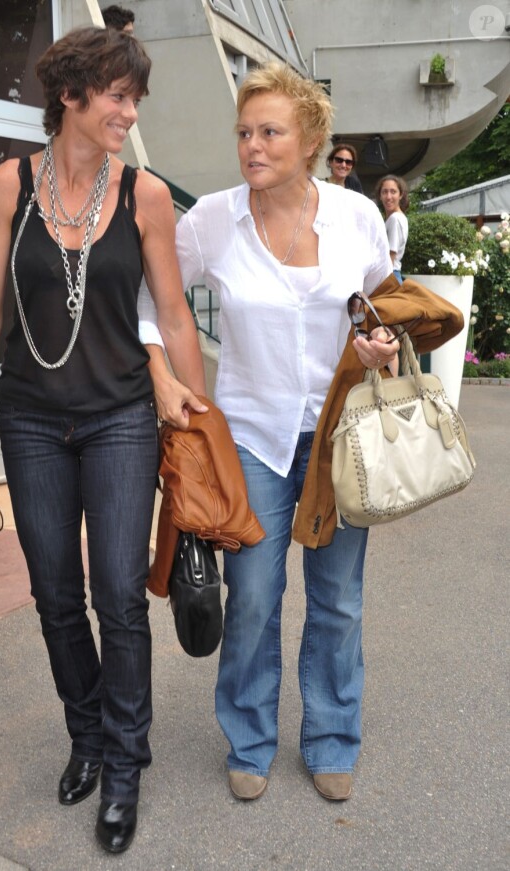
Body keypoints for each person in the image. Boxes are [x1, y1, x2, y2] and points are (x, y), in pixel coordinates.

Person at [140, 60, 462, 805]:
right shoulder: (213, 220)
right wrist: (160, 369)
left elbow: (382, 303)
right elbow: (149, 297)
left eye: (270, 131)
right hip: (252, 436)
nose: (252, 145)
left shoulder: (355, 218)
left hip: (341, 434)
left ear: (310, 138)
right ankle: (249, 737)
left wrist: (376, 346)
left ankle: (330, 737)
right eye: (245, 132)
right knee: (252, 595)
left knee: (339, 597)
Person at [0, 26, 206, 854]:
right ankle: (86, 733)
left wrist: (199, 415)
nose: (129, 112)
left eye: (135, 99)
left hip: (122, 415)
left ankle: (126, 760)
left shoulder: (147, 196)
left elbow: (172, 313)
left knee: (119, 598)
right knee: (55, 594)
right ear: (71, 95)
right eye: (117, 96)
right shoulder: (6, 186)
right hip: (28, 417)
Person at [376, 174, 409, 283]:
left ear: (401, 195)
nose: (388, 196)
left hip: (389, 276)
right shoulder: (396, 217)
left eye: (393, 192)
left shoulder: (395, 219)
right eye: (384, 192)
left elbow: (391, 255)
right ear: (380, 196)